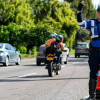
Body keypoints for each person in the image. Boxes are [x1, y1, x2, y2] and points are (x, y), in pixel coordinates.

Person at [77, 1, 100, 100]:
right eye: (99, 11)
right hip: (94, 52)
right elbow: (80, 23)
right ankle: (92, 96)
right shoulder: (92, 22)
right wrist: (79, 9)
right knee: (93, 73)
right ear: (97, 13)